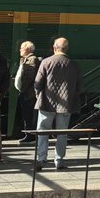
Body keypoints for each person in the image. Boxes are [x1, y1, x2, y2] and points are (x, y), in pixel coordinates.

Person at [33, 37, 82, 170]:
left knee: (43, 131)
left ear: (55, 48)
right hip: (65, 105)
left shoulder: (46, 62)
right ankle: (59, 160)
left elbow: (37, 83)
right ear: (67, 49)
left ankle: (41, 159)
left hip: (46, 103)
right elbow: (78, 87)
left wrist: (39, 97)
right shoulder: (73, 64)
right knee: (62, 133)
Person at [14, 40, 40, 142]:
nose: (20, 50)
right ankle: (28, 133)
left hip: (29, 93)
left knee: (28, 114)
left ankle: (30, 135)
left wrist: (22, 88)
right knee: (26, 114)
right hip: (28, 92)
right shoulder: (27, 59)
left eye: (22, 48)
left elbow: (29, 76)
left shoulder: (32, 60)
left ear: (28, 49)